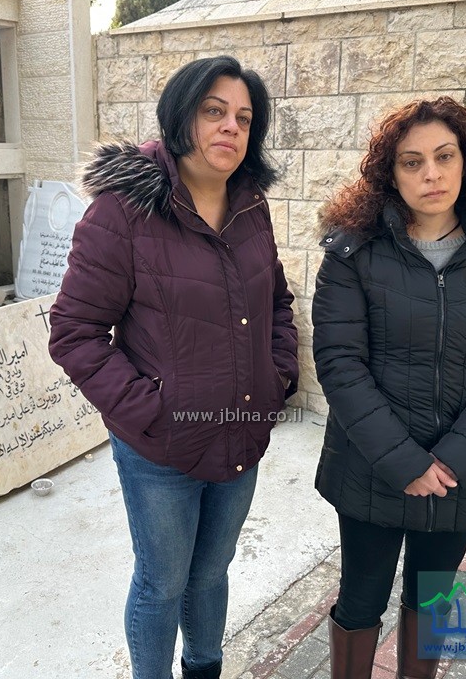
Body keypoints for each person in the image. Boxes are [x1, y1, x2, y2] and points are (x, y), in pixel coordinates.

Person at [48, 55, 299, 679]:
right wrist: (149, 410)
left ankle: (205, 668)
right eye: (214, 111)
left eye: (244, 118)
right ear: (181, 117)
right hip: (160, 449)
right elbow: (75, 333)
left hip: (242, 432)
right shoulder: (122, 213)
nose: (230, 127)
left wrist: (276, 378)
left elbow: (277, 302)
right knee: (162, 582)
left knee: (212, 572)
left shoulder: (251, 206)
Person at [311, 97, 466, 679]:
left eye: (444, 156)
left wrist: (453, 460)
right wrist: (404, 462)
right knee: (360, 599)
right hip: (371, 468)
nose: (431, 174)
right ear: (391, 174)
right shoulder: (352, 253)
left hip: (458, 473)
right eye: (412, 162)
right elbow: (339, 363)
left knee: (434, 599)